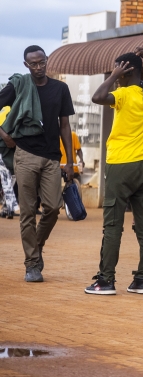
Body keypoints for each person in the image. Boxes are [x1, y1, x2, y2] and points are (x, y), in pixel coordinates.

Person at [85, 47, 143, 296]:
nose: (116, 75)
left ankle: (105, 281)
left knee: (112, 226)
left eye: (119, 70)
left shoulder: (124, 94)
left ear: (125, 71)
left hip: (120, 166)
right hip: (142, 166)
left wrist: (112, 76)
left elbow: (97, 97)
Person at [0, 45, 74, 283]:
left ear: (47, 60)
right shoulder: (19, 85)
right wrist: (5, 135)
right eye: (33, 63)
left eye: (42, 62)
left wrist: (70, 161)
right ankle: (32, 264)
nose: (39, 67)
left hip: (52, 156)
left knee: (53, 208)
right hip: (25, 154)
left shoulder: (60, 89)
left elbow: (64, 126)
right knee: (28, 212)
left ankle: (36, 246)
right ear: (26, 65)